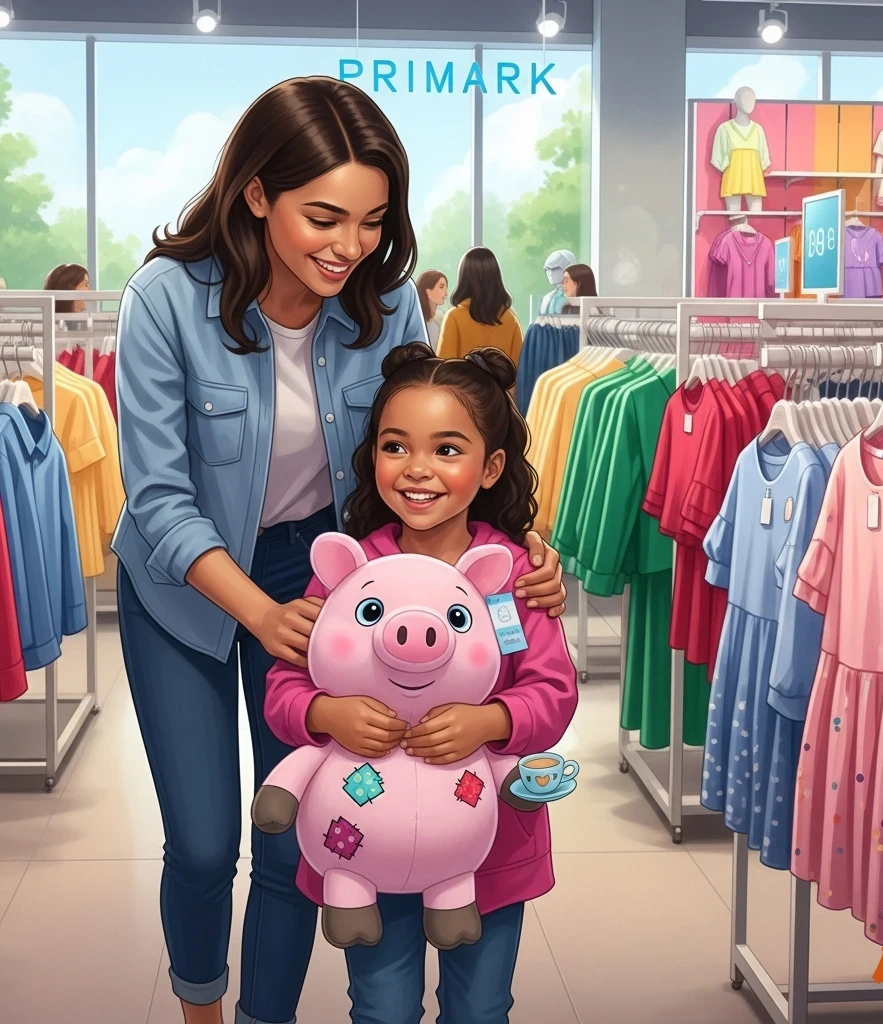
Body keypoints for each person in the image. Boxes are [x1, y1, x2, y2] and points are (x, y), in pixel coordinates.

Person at [112, 77, 567, 1024]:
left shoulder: (386, 303)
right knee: (203, 842)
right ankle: (201, 1004)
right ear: (255, 195)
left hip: (325, 576)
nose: (350, 245)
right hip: (186, 588)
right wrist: (257, 610)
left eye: (372, 220)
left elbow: (426, 453)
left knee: (302, 841)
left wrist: (515, 546)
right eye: (324, 216)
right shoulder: (164, 299)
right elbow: (156, 495)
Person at [264, 342, 578, 1024]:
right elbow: (284, 691)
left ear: (491, 466)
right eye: (396, 445)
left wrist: (489, 722)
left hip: (486, 848)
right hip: (363, 849)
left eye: (447, 450)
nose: (417, 471)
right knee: (380, 1008)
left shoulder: (511, 578)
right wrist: (326, 711)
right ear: (371, 453)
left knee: (480, 1006)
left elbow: (551, 694)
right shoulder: (347, 571)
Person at [437, 247, 523, 367]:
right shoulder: (510, 319)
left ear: (463, 277)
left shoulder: (454, 317)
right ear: (496, 277)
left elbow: (444, 368)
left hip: (463, 386)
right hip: (500, 386)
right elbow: (519, 370)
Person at [415, 268, 447, 347]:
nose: (446, 293)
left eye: (446, 287)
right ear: (428, 291)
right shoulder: (416, 322)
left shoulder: (441, 318)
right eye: (441, 287)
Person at [540, 249, 575, 314]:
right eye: (546, 269)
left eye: (554, 268)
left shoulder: (580, 297)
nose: (549, 272)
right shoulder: (547, 298)